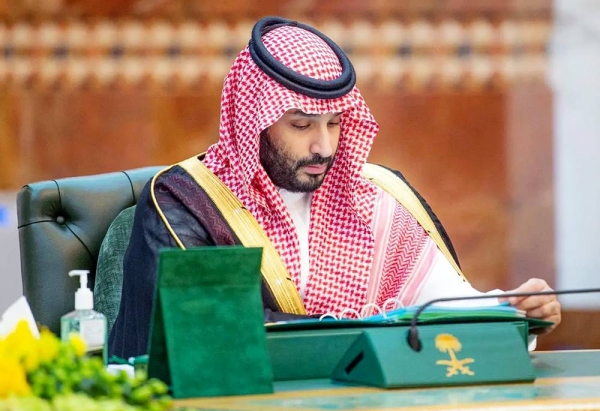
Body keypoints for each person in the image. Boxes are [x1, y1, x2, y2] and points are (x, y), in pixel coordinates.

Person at [108, 17, 561, 358]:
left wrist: (513, 313)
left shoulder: (375, 198)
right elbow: (215, 339)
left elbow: (444, 308)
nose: (323, 146)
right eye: (302, 124)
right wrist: (380, 335)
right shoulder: (187, 204)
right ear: (257, 123)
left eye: (335, 124)